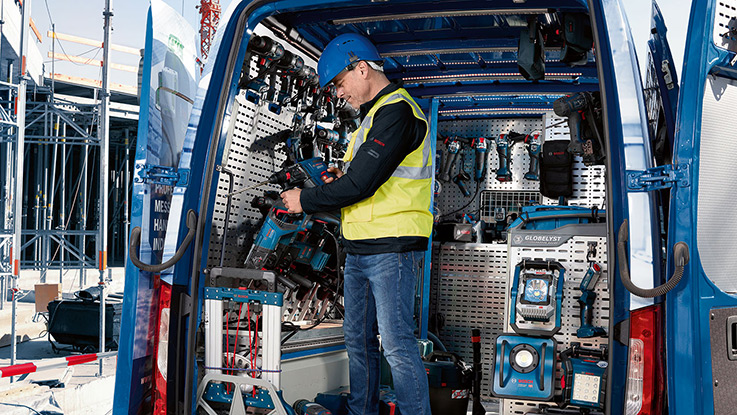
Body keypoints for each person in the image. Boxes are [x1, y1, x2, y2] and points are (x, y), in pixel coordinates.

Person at [280, 33, 433, 415]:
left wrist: (305, 200)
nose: (338, 93)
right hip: (361, 248)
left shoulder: (397, 112)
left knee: (397, 346)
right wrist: (337, 174)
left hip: (392, 249)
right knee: (357, 342)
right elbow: (359, 174)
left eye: (339, 82)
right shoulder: (373, 117)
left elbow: (362, 184)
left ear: (361, 68)